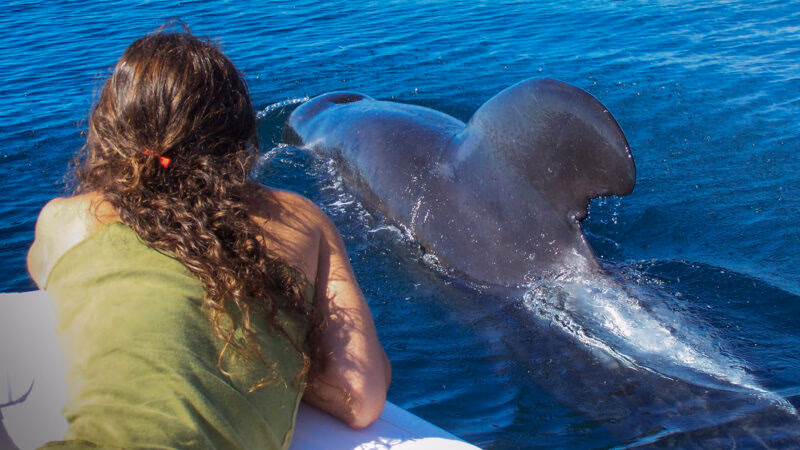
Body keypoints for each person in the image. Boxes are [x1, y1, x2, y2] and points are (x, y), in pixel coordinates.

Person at [26, 26, 391, 449]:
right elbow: (360, 396)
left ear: (108, 129)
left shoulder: (63, 221)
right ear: (237, 134)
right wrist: (281, 347)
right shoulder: (300, 222)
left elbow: (53, 282)